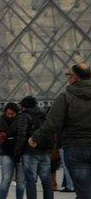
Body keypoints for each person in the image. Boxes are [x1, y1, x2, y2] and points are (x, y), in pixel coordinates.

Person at [30, 63, 91, 199]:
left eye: (68, 75)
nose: (67, 78)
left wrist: (35, 138)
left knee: (84, 193)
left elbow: (52, 125)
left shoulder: (64, 97)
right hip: (77, 147)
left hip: (76, 149)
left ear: (75, 77)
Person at [19, 95, 54, 199]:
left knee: (30, 180)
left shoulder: (25, 115)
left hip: (30, 151)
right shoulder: (43, 115)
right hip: (44, 150)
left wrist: (17, 151)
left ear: (24, 106)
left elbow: (21, 134)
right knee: (46, 180)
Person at [0, 102, 26, 199]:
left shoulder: (21, 121)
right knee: (6, 178)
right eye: (7, 114)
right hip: (6, 152)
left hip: (20, 153)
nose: (9, 116)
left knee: (20, 181)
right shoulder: (1, 121)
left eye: (12, 114)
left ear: (16, 113)